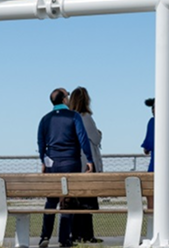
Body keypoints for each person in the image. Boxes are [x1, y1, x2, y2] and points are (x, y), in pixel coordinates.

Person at [38, 87, 98, 248]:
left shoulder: (45, 119)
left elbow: (41, 142)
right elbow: (82, 138)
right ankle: (64, 239)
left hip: (52, 163)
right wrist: (89, 159)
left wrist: (43, 161)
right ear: (64, 99)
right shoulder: (74, 116)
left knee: (51, 201)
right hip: (71, 162)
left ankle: (45, 236)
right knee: (67, 200)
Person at [68, 87, 105, 244]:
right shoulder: (86, 117)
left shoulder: (70, 118)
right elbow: (95, 138)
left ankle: (75, 233)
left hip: (75, 165)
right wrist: (99, 133)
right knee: (87, 203)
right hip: (87, 165)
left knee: (76, 202)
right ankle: (87, 234)